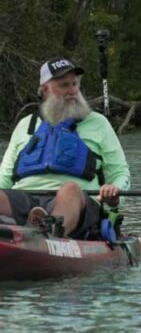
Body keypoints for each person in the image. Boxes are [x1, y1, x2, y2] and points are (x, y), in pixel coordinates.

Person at [0, 58, 129, 238]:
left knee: (70, 189)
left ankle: (48, 234)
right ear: (45, 90)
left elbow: (120, 173)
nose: (72, 91)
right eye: (64, 85)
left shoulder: (99, 123)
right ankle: (33, 228)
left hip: (77, 204)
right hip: (25, 199)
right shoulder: (25, 125)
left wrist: (114, 193)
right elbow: (4, 177)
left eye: (74, 84)